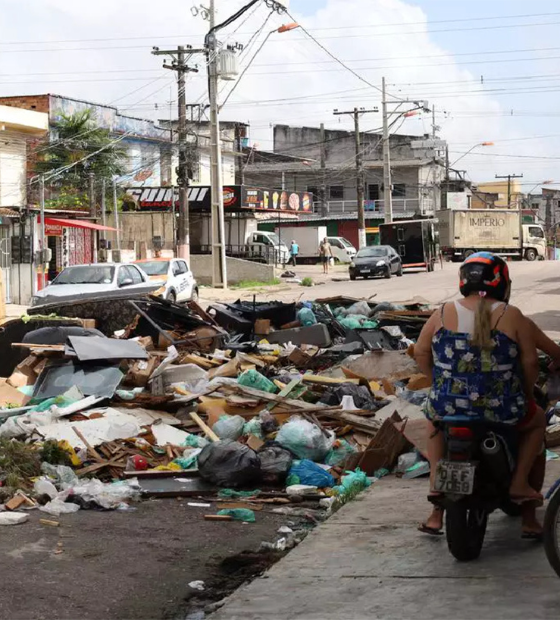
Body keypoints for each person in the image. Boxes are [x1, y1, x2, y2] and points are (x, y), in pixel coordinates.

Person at [414, 252, 545, 538]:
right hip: (501, 410)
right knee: (538, 423)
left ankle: (437, 491)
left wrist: (436, 381)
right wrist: (526, 392)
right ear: (501, 281)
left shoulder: (441, 312)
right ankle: (522, 494)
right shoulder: (510, 314)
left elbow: (421, 352)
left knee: (433, 422)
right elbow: (531, 363)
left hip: (449, 405)